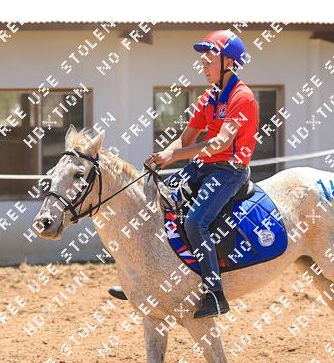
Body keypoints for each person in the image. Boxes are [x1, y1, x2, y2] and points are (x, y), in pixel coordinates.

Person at [108, 29, 259, 318]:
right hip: (203, 166)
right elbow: (185, 139)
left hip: (229, 171)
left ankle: (215, 294)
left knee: (195, 223)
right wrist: (164, 155)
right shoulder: (209, 97)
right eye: (203, 59)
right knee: (154, 203)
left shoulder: (243, 97)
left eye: (209, 58)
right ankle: (140, 279)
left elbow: (221, 143)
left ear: (229, 62)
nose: (203, 63)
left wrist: (174, 156)